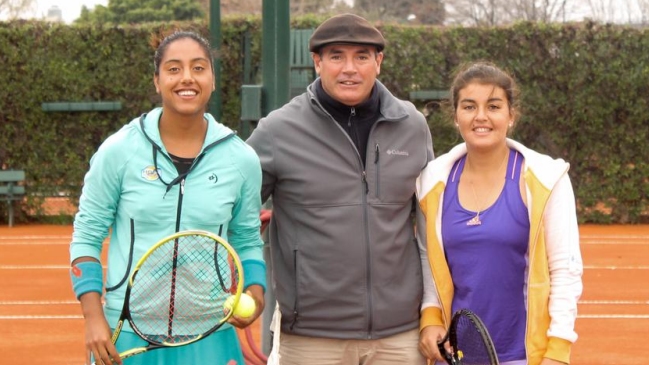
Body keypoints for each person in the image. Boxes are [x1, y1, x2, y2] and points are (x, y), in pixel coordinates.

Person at [69, 30, 266, 365]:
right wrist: (93, 316)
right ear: (157, 81)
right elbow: (87, 236)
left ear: (213, 80)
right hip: (127, 329)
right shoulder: (119, 151)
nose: (186, 78)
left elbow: (247, 238)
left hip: (211, 333)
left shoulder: (241, 159)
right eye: (174, 69)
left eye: (198, 67)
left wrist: (255, 295)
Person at [246, 13, 434, 365]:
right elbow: (235, 213)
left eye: (362, 56)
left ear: (378, 62)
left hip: (401, 336)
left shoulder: (413, 126)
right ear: (317, 62)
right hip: (310, 338)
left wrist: (432, 311)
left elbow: (429, 230)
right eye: (336, 56)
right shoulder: (277, 130)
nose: (350, 68)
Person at [416, 61, 583, 365]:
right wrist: (430, 317)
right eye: (469, 107)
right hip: (454, 355)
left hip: (524, 356)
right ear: (456, 116)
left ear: (511, 115)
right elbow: (430, 261)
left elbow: (565, 270)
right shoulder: (431, 182)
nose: (481, 117)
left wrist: (557, 351)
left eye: (493, 106)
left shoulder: (546, 178)